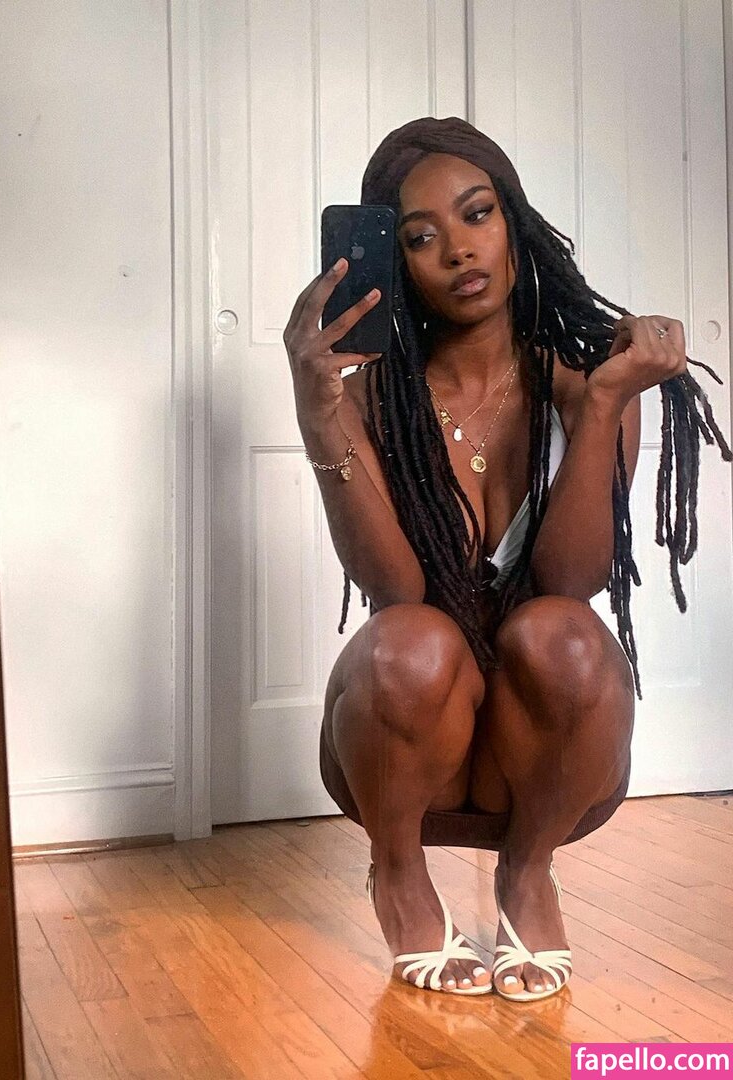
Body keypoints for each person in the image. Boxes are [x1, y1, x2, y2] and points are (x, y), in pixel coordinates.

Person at [282, 117, 731, 1002]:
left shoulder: (584, 379)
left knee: (564, 635)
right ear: (392, 260)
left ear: (514, 224)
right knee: (409, 640)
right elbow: (395, 588)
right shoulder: (370, 397)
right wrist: (318, 415)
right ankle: (397, 872)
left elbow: (572, 582)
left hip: (545, 760)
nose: (458, 248)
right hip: (410, 753)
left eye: (477, 214)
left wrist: (601, 409)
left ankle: (527, 871)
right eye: (420, 237)